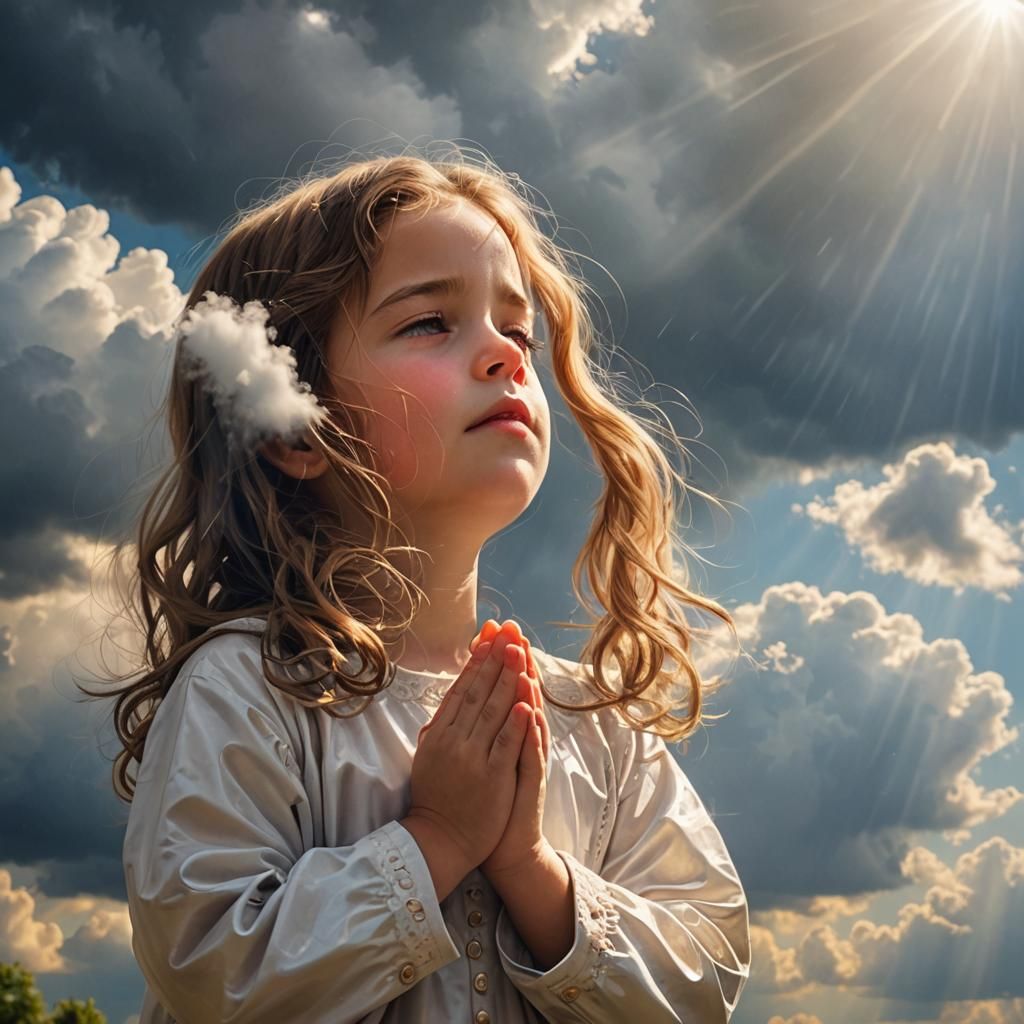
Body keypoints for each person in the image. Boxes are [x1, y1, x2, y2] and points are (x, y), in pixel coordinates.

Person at [89, 149, 751, 1022]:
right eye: (431, 323)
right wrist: (435, 839)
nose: (504, 357)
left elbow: (707, 969)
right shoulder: (248, 689)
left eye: (517, 330)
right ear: (294, 423)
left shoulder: (595, 724)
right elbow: (213, 964)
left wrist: (530, 869)